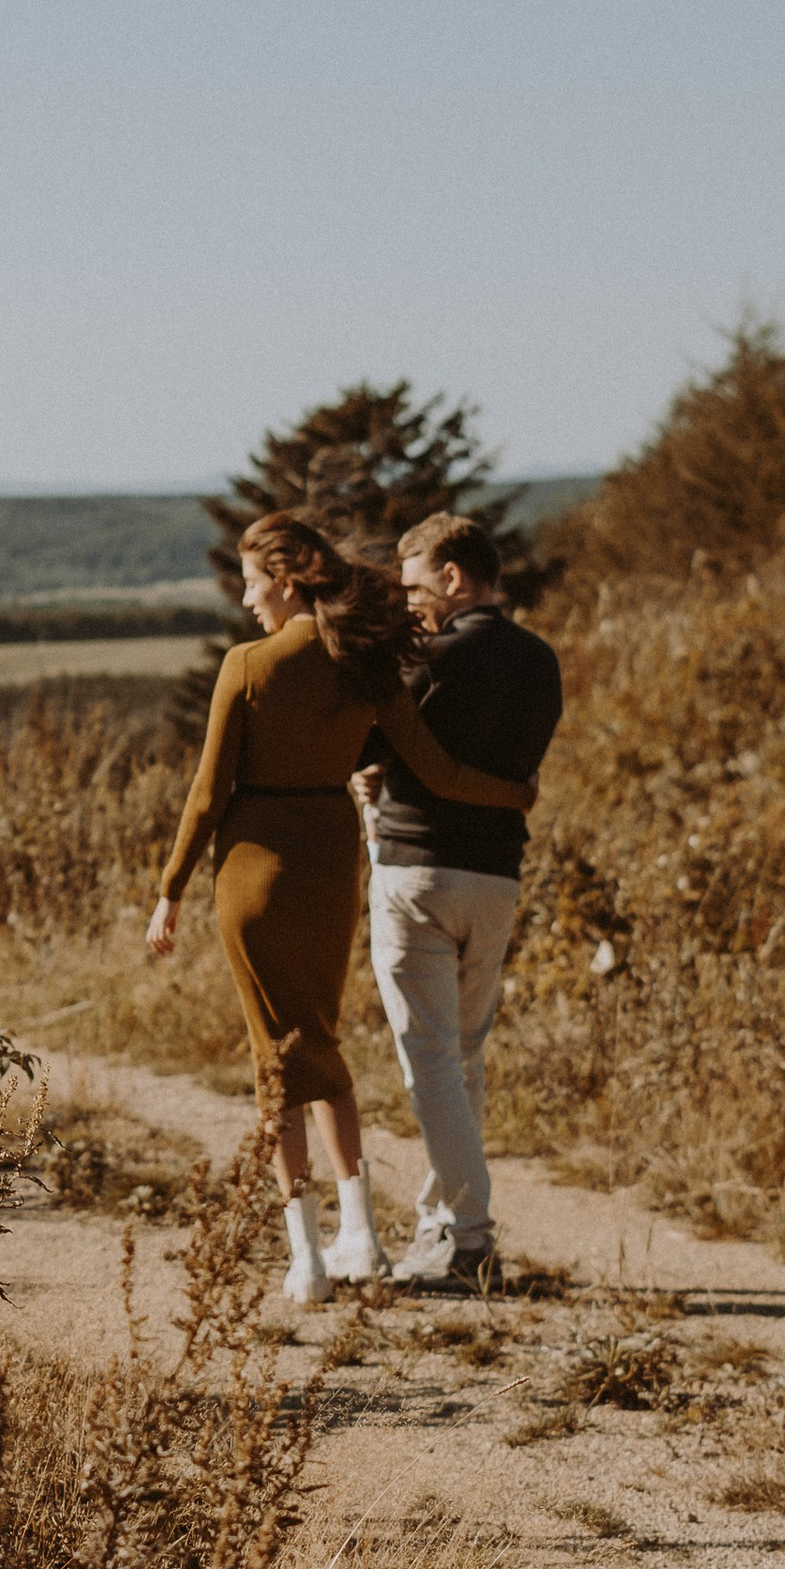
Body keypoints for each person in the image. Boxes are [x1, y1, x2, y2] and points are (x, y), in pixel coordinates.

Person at [146, 512, 535, 1311]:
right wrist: (514, 794)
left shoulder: (247, 666)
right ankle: (359, 1230)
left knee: (275, 1057)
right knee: (319, 1038)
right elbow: (434, 766)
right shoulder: (365, 669)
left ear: (288, 582)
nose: (248, 600)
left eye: (253, 583)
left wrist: (170, 888)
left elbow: (207, 793)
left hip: (254, 870)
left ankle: (308, 1259)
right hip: (332, 863)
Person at [353, 508, 565, 1291]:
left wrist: (369, 780)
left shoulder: (430, 657)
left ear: (452, 576)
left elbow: (376, 745)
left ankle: (470, 1236)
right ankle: (442, 1223)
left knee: (430, 1062)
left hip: (416, 869)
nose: (409, 603)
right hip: (497, 876)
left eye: (415, 586)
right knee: (465, 1057)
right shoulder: (542, 661)